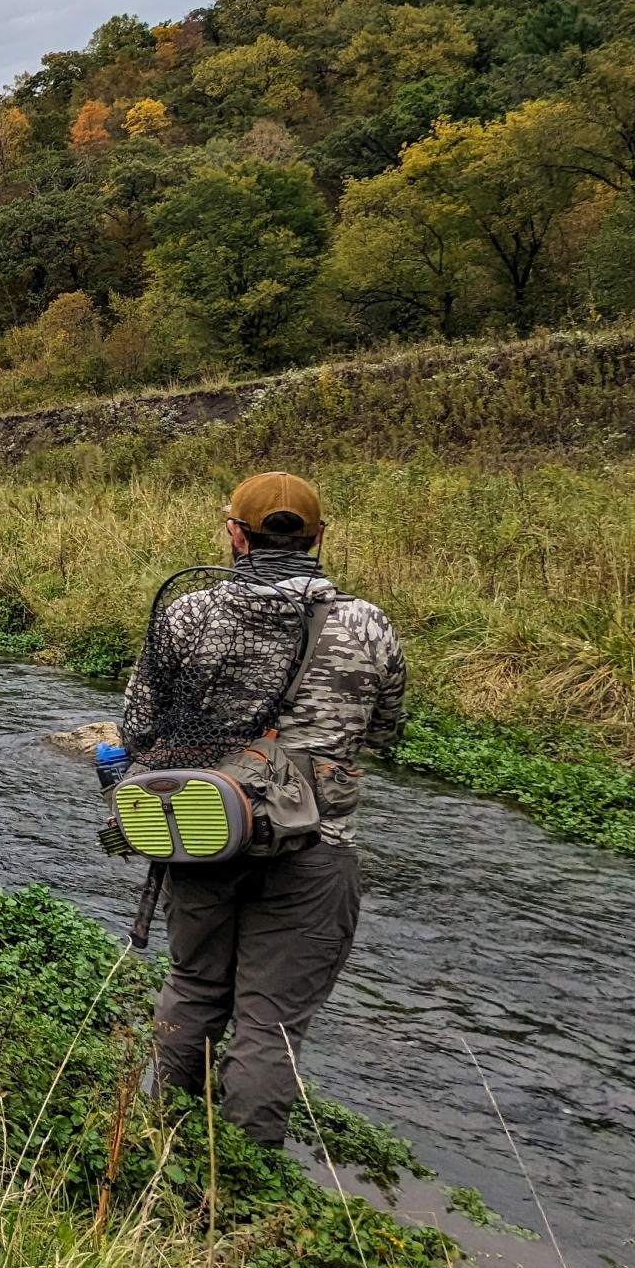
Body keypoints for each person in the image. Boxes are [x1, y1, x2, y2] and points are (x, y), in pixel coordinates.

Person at [120, 470, 406, 1146]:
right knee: (270, 1025)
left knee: (192, 989)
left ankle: (166, 1150)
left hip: (201, 831)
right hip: (317, 847)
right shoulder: (366, 624)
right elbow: (387, 733)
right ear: (319, 537)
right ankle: (242, 1195)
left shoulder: (187, 614)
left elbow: (136, 727)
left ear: (234, 535)